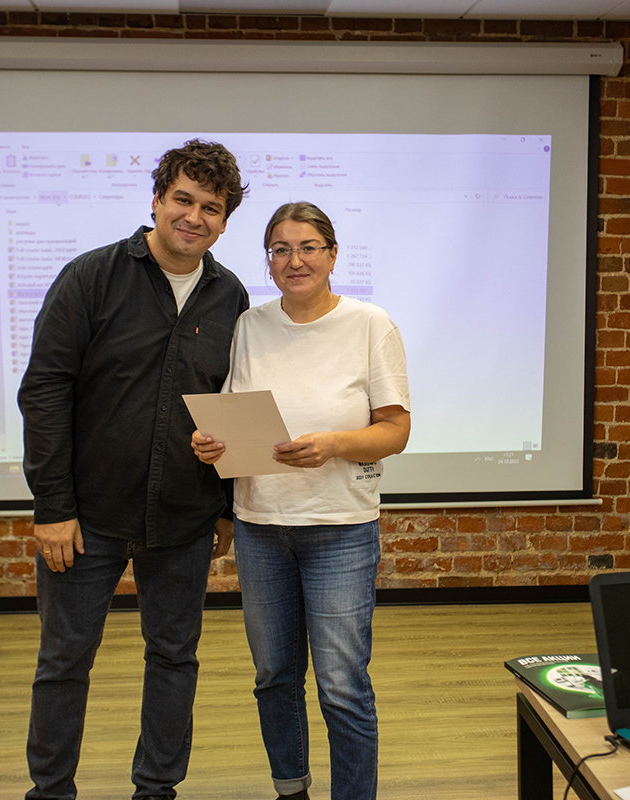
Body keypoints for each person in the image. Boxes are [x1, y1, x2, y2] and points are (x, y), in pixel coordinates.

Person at [18, 139, 248, 800]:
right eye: (183, 199)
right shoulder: (91, 277)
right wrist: (52, 508)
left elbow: (230, 404)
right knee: (65, 660)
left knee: (174, 658)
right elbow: (45, 392)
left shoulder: (230, 295)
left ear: (224, 221)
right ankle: (50, 792)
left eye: (211, 207)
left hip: (183, 516)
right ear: (156, 200)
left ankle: (157, 790)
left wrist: (225, 506)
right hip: (87, 516)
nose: (194, 217)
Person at [192, 202, 411, 800]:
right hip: (260, 526)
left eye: (309, 247)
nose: (295, 260)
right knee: (274, 676)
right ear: (268, 261)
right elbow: (231, 417)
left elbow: (395, 431)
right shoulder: (249, 325)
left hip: (341, 530)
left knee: (341, 685)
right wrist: (210, 444)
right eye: (281, 250)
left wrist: (335, 444)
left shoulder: (371, 325)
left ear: (332, 255)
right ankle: (291, 790)